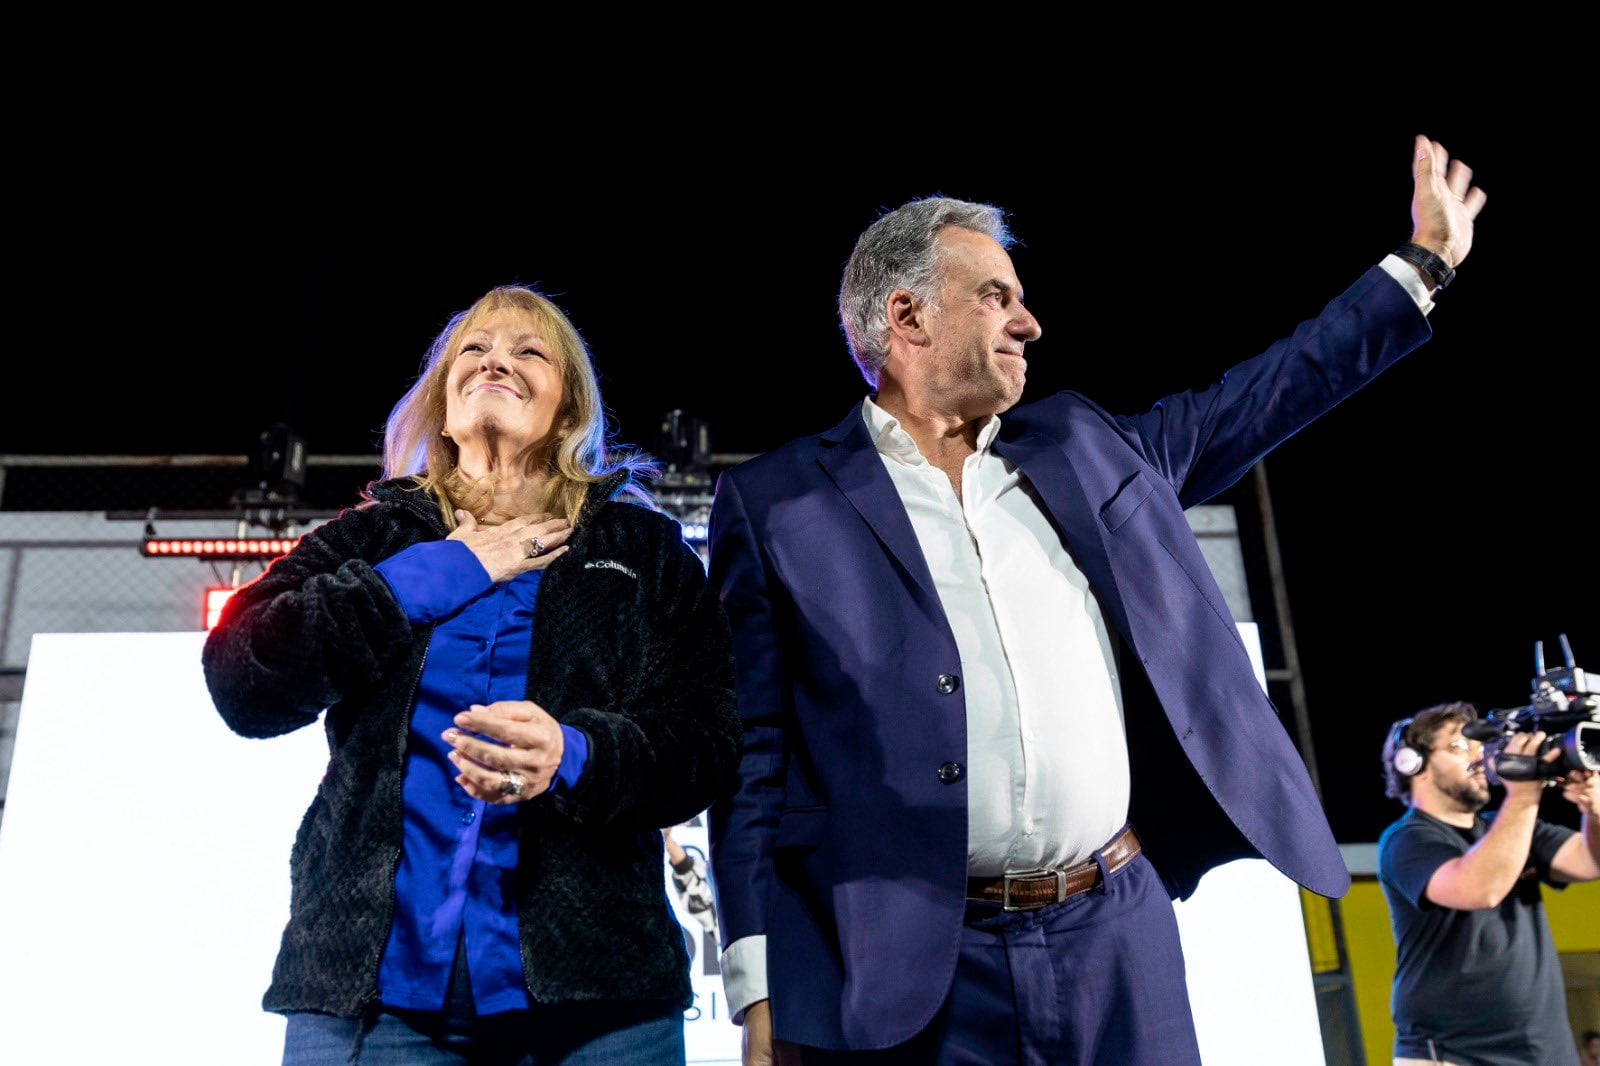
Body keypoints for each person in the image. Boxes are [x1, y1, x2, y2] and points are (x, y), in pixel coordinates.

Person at [706, 136, 1486, 1064]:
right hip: (914, 968)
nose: (1028, 321)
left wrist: (1423, 263)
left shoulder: (1084, 444)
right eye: (995, 295)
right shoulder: (780, 503)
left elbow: (1268, 393)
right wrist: (758, 997)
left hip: (1116, 934)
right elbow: (752, 765)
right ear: (906, 316)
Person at [203, 285, 742, 1064]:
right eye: (475, 352)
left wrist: (574, 753)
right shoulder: (371, 538)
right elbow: (241, 680)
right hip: (372, 999)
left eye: (529, 351)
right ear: (441, 404)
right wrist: (440, 571)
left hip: (600, 1003)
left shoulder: (645, 550)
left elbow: (707, 741)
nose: (498, 360)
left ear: (567, 408)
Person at [1377, 704, 1600, 1065]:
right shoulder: (1407, 839)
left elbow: (1590, 861)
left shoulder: (1506, 825)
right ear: (1412, 764)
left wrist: (1594, 809)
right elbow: (1481, 888)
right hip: (1454, 1055)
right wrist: (1524, 794)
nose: (1479, 758)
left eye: (1481, 746)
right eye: (1458, 747)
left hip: (1544, 1053)